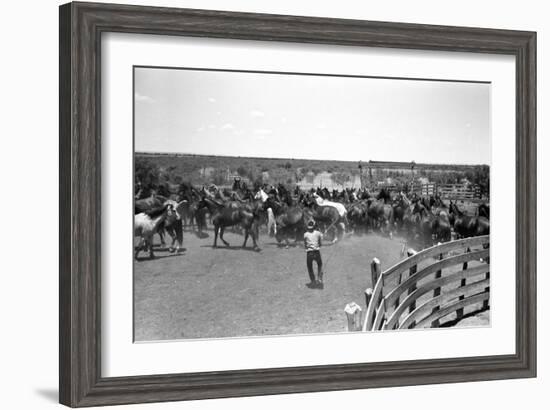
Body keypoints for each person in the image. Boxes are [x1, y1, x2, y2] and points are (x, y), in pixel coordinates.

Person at [303, 220, 324, 289]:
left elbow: (305, 244)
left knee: (310, 267)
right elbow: (320, 243)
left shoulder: (305, 234)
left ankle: (313, 281)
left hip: (309, 253)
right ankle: (320, 279)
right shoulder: (318, 233)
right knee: (320, 265)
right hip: (316, 252)